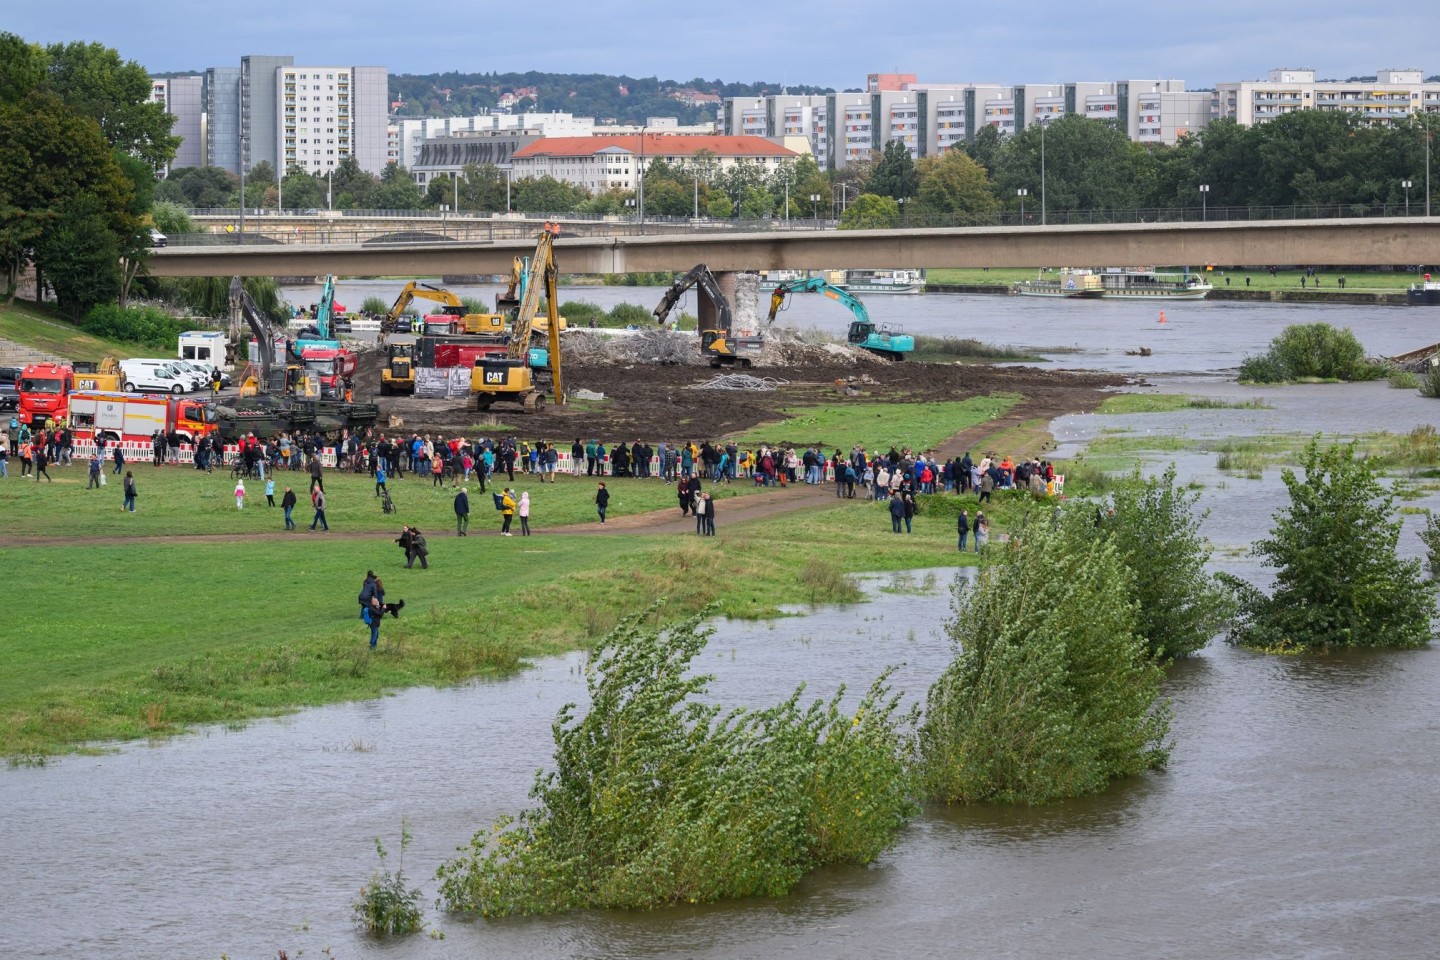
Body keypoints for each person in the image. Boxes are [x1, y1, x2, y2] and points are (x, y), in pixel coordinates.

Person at [358, 571, 385, 650]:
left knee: (376, 635)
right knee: (374, 635)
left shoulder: (367, 584)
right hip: (374, 624)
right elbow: (379, 613)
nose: (377, 602)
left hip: (375, 623)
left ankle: (374, 647)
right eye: (375, 601)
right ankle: (372, 647)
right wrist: (383, 608)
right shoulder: (372, 608)